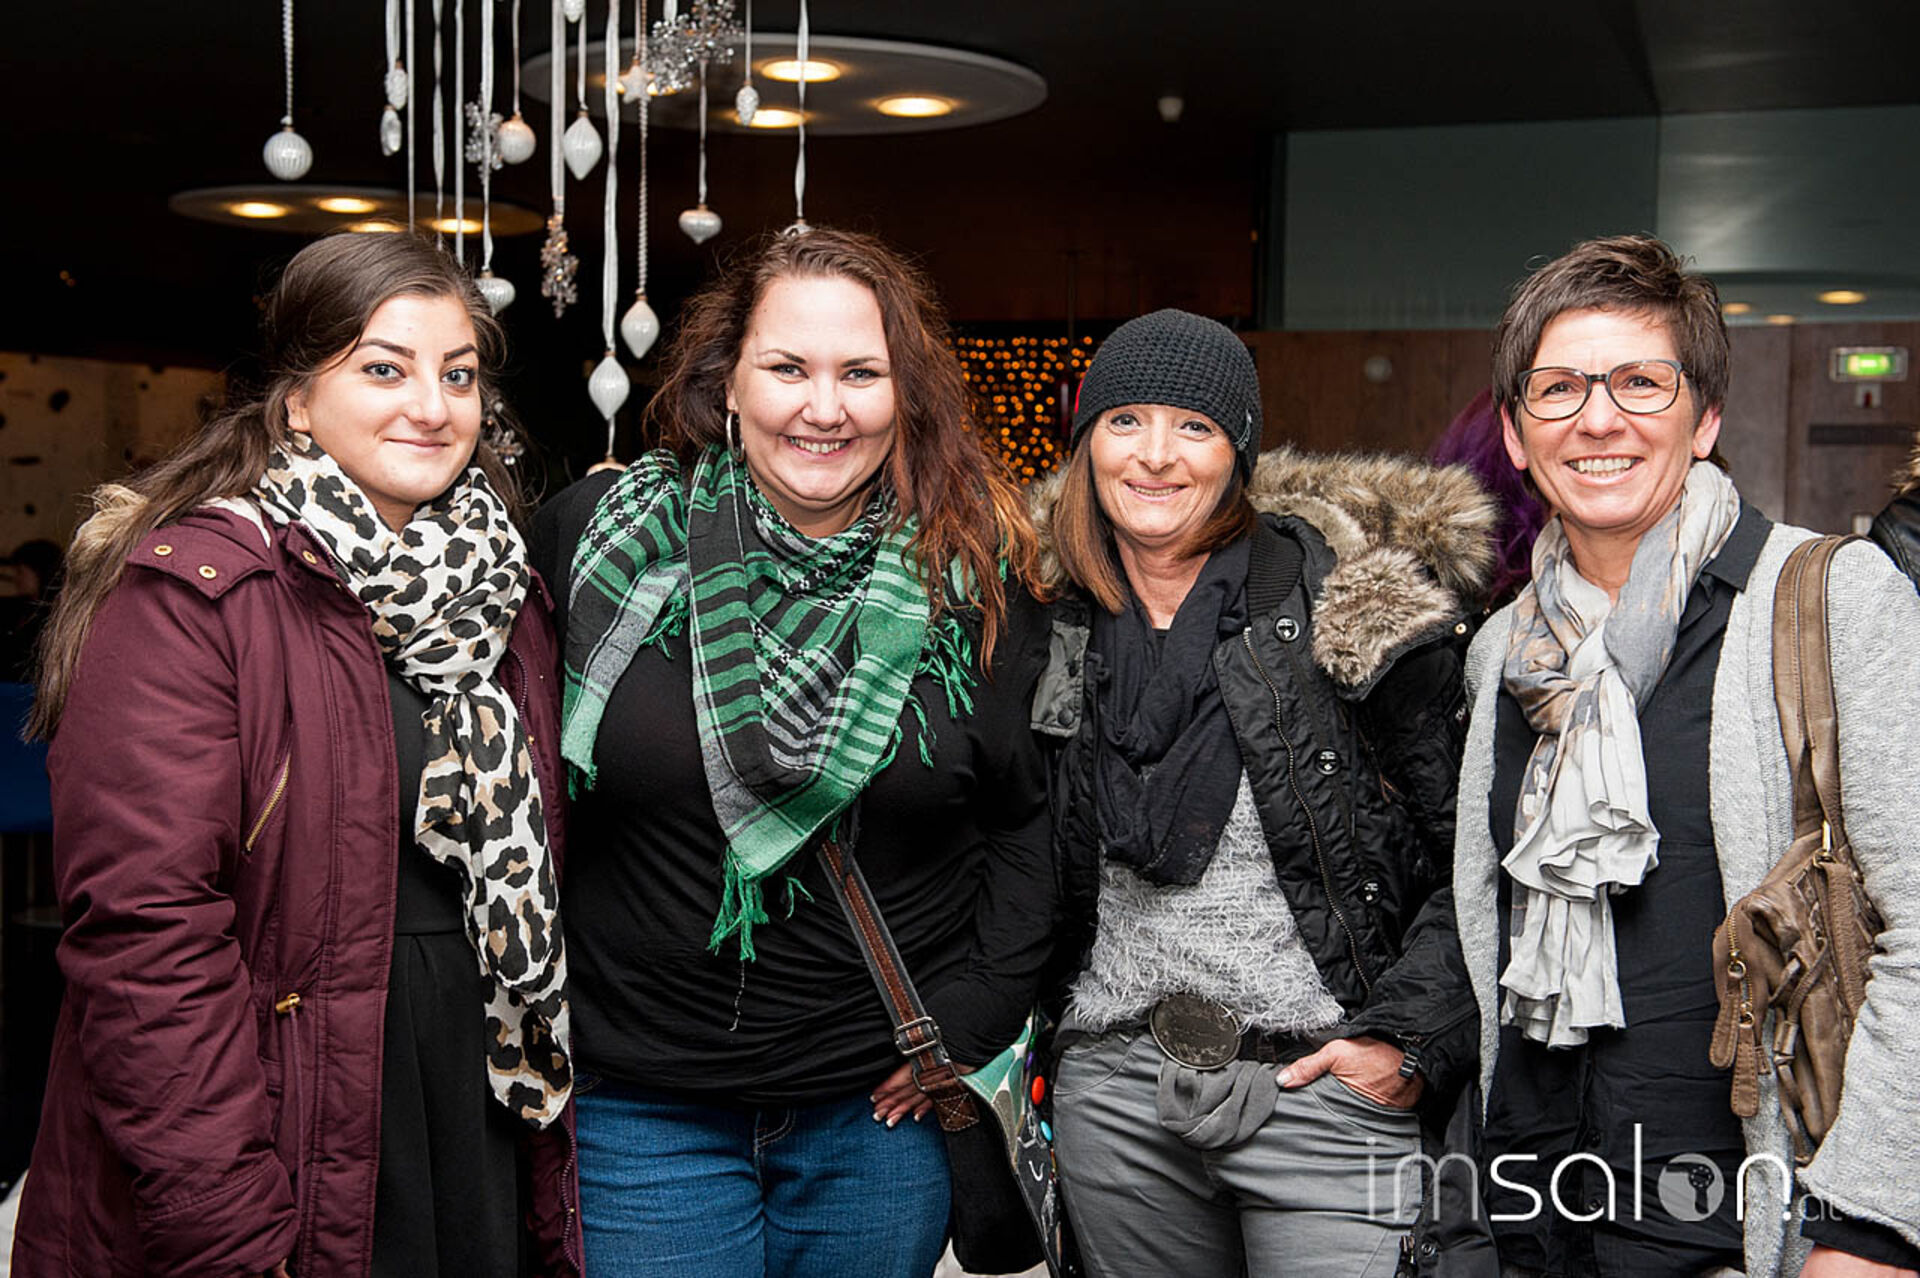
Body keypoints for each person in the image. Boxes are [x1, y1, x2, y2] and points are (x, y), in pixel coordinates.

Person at [10, 232, 580, 1278]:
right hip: (288, 1114)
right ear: (297, 402)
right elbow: (145, 939)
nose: (432, 406)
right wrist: (225, 1219)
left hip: (475, 1102)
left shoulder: (506, 592)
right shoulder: (192, 592)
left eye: (458, 375)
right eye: (384, 369)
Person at [530, 225, 1053, 1278]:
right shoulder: (595, 538)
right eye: (787, 368)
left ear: (906, 396)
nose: (824, 407)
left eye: (861, 373)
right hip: (640, 1108)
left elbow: (1031, 823)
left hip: (877, 1114)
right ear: (728, 383)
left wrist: (969, 1020)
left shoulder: (981, 582)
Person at [1456, 233, 1920, 1277]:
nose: (1598, 418)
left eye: (1640, 382)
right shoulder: (1503, 654)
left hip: (1743, 1225)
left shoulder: (1832, 600)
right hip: (1535, 1213)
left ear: (1705, 418)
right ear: (1516, 435)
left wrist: (1873, 1224)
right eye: (1559, 388)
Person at [1031, 308, 1498, 1277]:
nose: (1155, 455)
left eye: (1194, 427)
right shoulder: (1045, 620)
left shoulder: (1352, 609)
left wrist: (1406, 1043)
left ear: (1237, 453)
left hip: (1325, 1086)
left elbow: (1479, 851)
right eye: (1125, 421)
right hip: (1117, 1094)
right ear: (1086, 444)